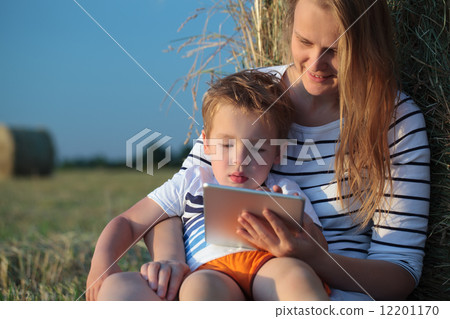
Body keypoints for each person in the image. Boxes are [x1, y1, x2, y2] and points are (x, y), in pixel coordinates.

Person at [91, 0, 430, 301]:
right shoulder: (248, 98)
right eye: (304, 41)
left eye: (336, 50)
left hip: (321, 287)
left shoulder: (396, 122)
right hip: (211, 275)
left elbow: (400, 272)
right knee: (126, 293)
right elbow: (174, 207)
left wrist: (313, 257)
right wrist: (171, 261)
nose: (316, 63)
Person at [86, 70, 329, 301]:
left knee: (297, 278)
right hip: (208, 271)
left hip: (265, 264)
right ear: (207, 144)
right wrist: (102, 262)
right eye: (226, 145)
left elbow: (319, 249)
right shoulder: (191, 181)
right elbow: (129, 222)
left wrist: (291, 227)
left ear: (278, 153)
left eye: (257, 149)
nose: (239, 160)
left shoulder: (285, 189)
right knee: (195, 291)